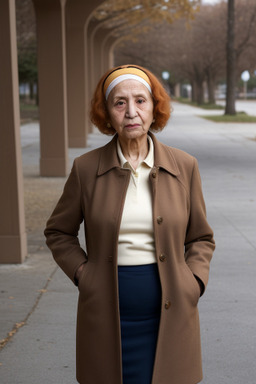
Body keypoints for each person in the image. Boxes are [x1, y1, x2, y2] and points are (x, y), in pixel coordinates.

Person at [44, 64, 215, 384]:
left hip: (173, 309)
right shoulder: (86, 168)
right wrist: (83, 274)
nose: (131, 111)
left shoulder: (184, 165)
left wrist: (195, 281)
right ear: (107, 113)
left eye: (141, 100)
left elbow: (201, 237)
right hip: (106, 311)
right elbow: (58, 232)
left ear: (154, 109)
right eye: (119, 102)